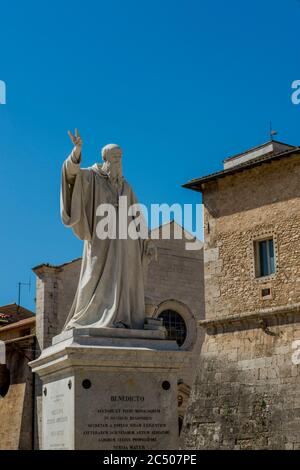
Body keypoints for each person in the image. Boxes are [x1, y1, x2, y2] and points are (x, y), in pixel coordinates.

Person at [60, 129, 156, 330]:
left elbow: (137, 213)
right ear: (105, 158)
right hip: (100, 240)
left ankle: (120, 318)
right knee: (93, 276)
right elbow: (70, 174)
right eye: (115, 156)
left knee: (125, 279)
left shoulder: (126, 186)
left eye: (120, 157)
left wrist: (147, 241)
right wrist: (76, 151)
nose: (118, 160)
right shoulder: (92, 176)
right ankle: (90, 317)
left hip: (125, 242)